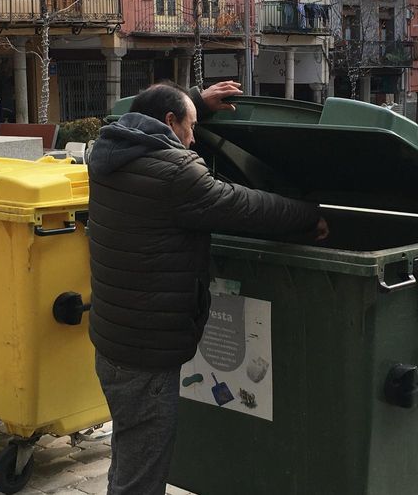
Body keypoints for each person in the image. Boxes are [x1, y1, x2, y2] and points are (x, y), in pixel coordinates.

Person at [87, 81, 327, 495]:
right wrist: (309, 216)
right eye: (191, 125)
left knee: (130, 448)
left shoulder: (107, 156)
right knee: (142, 472)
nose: (195, 137)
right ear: (169, 123)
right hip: (148, 352)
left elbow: (156, 116)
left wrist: (194, 102)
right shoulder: (176, 172)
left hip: (113, 341)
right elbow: (241, 205)